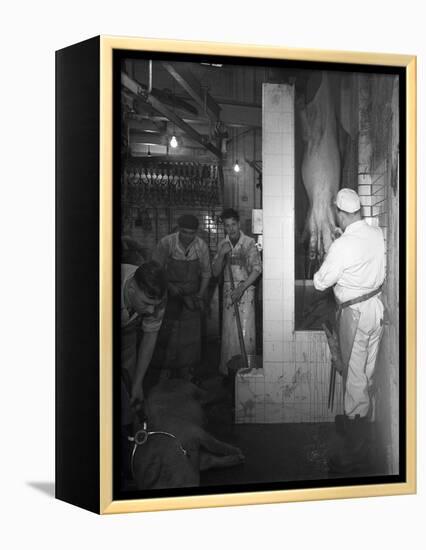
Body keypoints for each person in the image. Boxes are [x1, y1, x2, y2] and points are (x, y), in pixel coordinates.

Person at [313, 188, 385, 473]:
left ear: (341, 213)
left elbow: (321, 282)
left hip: (354, 313)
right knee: (365, 373)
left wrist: (332, 248)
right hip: (375, 309)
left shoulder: (343, 244)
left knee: (354, 378)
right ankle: (356, 421)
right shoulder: (376, 234)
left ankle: (357, 452)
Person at [152, 214, 211, 379]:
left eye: (191, 233)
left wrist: (200, 295)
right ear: (178, 229)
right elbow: (155, 271)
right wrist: (170, 286)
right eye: (184, 232)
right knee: (168, 332)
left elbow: (206, 273)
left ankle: (187, 368)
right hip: (169, 294)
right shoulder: (166, 243)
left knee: (191, 335)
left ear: (196, 232)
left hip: (191, 295)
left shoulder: (201, 246)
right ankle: (165, 367)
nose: (188, 236)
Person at [212, 208, 262, 375]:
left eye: (233, 224)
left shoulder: (248, 243)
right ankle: (228, 372)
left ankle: (246, 370)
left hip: (246, 291)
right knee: (229, 332)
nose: (231, 228)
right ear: (224, 227)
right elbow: (215, 272)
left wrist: (241, 288)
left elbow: (257, 270)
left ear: (238, 223)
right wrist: (221, 255)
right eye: (227, 226)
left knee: (246, 331)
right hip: (228, 292)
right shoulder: (222, 245)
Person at [121, 261, 167, 429]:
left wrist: (137, 383)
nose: (151, 311)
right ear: (131, 289)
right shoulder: (106, 285)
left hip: (128, 333)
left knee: (129, 389)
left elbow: (150, 336)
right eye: (146, 303)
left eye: (155, 305)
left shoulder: (157, 296)